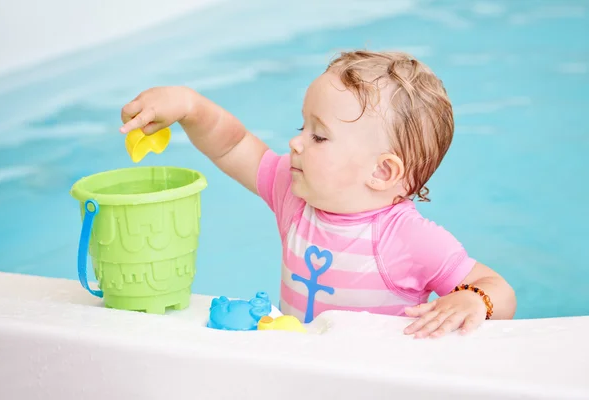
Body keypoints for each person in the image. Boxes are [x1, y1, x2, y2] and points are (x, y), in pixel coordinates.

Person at [119, 50, 516, 338]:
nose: (295, 143)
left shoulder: (407, 239)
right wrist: (190, 106)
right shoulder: (293, 195)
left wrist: (472, 299)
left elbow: (495, 285)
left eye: (319, 135)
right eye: (301, 126)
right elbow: (233, 144)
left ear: (382, 171)